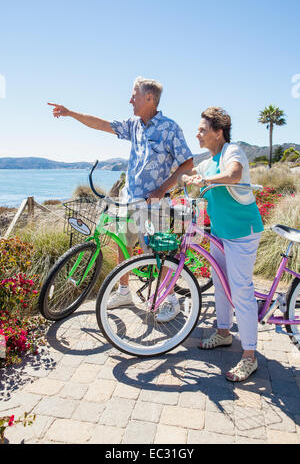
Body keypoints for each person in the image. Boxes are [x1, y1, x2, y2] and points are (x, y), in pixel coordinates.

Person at [48, 77, 193, 322]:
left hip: (154, 204)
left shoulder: (170, 128)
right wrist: (71, 113)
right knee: (122, 245)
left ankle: (170, 300)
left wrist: (162, 189)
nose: (129, 100)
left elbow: (188, 163)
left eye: (133, 95)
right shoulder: (133, 125)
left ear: (149, 98)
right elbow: (102, 124)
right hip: (129, 199)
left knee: (159, 251)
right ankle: (124, 291)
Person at [180, 106, 264, 382]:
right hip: (219, 232)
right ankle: (224, 333)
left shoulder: (232, 151)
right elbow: (187, 173)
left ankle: (249, 356)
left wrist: (203, 179)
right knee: (219, 283)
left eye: (203, 129)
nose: (198, 133)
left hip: (241, 231)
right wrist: (184, 179)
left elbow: (234, 175)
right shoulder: (209, 160)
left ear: (219, 132)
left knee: (241, 289)